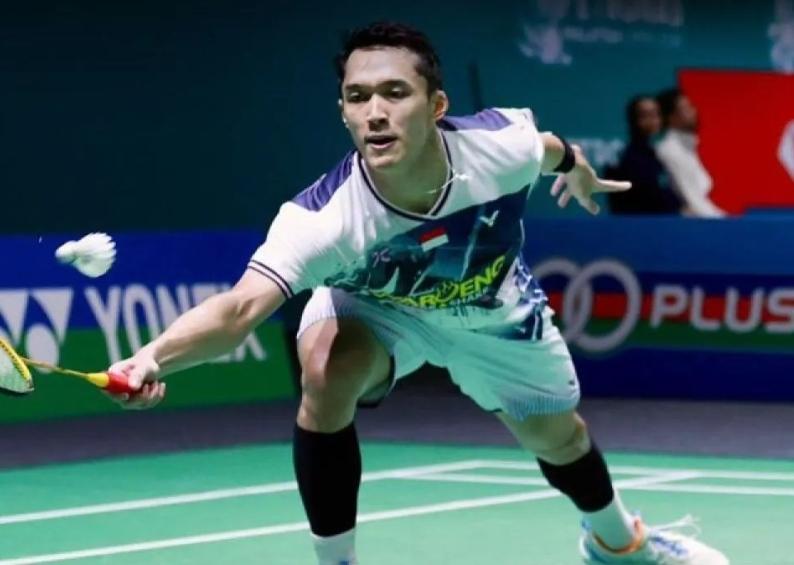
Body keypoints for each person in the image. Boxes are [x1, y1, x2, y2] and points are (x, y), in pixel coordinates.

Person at [105, 22, 728, 565]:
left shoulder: (497, 150)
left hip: (491, 311)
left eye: (395, 92)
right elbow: (240, 309)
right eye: (358, 97)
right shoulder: (323, 220)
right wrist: (151, 358)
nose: (375, 111)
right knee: (325, 372)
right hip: (380, 309)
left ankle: (619, 542)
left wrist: (578, 171)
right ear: (343, 112)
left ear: (436, 105)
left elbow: (550, 150)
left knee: (558, 438)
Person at [655, 88, 726, 218]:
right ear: (671, 118)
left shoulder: (688, 147)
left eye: (691, 106)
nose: (693, 112)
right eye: (685, 109)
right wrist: (726, 223)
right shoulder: (669, 150)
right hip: (689, 224)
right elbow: (692, 199)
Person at [607, 95, 683, 215]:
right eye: (646, 115)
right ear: (634, 120)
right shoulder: (629, 160)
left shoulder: (660, 155)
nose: (653, 120)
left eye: (656, 114)